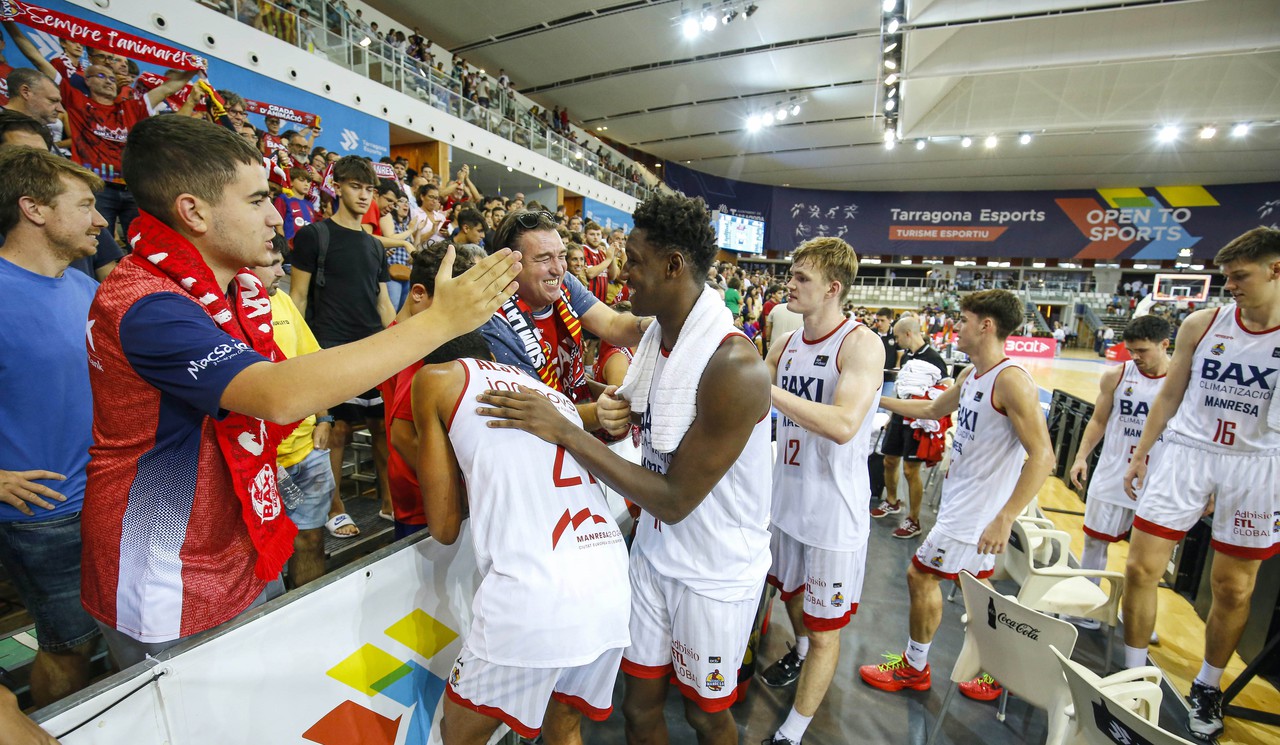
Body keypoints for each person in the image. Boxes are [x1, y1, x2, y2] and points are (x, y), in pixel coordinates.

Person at [79, 115, 520, 668]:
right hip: (168, 570)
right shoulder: (147, 304)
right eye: (259, 199)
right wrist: (437, 324)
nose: (276, 216)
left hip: (235, 543)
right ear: (193, 211)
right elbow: (275, 394)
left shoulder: (239, 290)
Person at [479, 192, 771, 745]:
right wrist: (612, 414)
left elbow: (673, 498)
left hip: (713, 571)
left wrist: (566, 429)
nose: (620, 271)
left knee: (707, 716)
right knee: (637, 710)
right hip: (654, 555)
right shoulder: (663, 336)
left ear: (673, 265)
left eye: (633, 260)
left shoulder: (735, 366)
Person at [413, 334, 630, 744]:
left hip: (535, 592)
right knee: (563, 725)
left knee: (458, 734)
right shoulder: (548, 392)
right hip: (610, 579)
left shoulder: (434, 379)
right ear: (494, 357)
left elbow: (443, 527)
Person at [1121, 227, 1280, 741]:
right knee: (1142, 567)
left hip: (1257, 462)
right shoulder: (1203, 322)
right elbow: (1168, 395)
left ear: (1276, 270)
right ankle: (1132, 668)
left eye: (1240, 276)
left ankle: (1208, 685)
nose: (1229, 285)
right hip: (1188, 451)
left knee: (1232, 588)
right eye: (1226, 275)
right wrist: (1142, 453)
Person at [857, 290, 1054, 702]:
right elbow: (930, 411)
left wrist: (1005, 517)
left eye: (963, 320)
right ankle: (1003, 672)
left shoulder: (1011, 380)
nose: (955, 327)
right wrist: (870, 400)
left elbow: (1043, 456)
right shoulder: (971, 375)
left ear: (986, 325)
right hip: (963, 500)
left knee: (920, 574)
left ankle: (914, 668)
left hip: (975, 512)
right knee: (978, 595)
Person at [757, 238, 884, 745]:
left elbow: (844, 424)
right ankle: (803, 654)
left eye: (802, 278)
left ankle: (792, 731)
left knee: (826, 627)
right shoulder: (785, 344)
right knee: (791, 597)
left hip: (833, 514)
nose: (790, 283)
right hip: (785, 502)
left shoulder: (860, 344)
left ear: (833, 289)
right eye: (791, 273)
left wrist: (762, 388)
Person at [0, 147, 104, 706]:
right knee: (69, 647)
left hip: (108, 497)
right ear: (34, 209)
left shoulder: (87, 291)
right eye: (86, 205)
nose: (102, 219)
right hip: (43, 516)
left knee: (104, 635)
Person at [290, 156, 397, 535]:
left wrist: (399, 345)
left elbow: (383, 301)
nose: (364, 195)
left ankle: (388, 502)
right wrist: (299, 354)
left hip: (373, 350)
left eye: (369, 189)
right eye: (356, 186)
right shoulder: (314, 236)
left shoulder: (373, 245)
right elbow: (297, 297)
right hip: (330, 347)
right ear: (337, 187)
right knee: (336, 432)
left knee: (384, 429)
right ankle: (335, 507)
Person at [481, 209, 648, 423]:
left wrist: (651, 325)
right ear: (508, 265)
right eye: (544, 259)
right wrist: (598, 414)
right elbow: (534, 414)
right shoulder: (495, 321)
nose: (558, 269)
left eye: (561, 256)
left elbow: (613, 323)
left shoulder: (565, 283)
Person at [1068, 315, 1172, 629]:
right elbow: (1099, 420)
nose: (1135, 357)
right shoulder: (1116, 375)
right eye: (1131, 350)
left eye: (1142, 350)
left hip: (1158, 479)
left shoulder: (1183, 381)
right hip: (1113, 472)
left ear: (1165, 345)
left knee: (1147, 561)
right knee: (1095, 543)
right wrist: (1081, 456)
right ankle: (1086, 607)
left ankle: (1137, 616)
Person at [251, 241, 333, 588]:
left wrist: (325, 418)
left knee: (311, 541)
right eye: (272, 264)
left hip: (306, 452)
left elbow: (312, 363)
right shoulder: (217, 310)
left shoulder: (282, 300)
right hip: (260, 465)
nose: (281, 273)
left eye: (281, 263)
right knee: (263, 556)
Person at [382, 243, 476, 539]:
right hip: (429, 502)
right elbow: (403, 436)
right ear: (420, 294)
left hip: (414, 494)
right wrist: (455, 493)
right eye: (453, 303)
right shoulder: (419, 347)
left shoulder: (396, 335)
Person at [870, 315, 950, 539]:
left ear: (908, 334)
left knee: (910, 470)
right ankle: (892, 501)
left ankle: (914, 520)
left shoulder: (934, 359)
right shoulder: (906, 357)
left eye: (897, 337)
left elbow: (946, 391)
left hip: (917, 421)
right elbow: (902, 389)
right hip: (898, 416)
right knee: (889, 460)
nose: (896, 341)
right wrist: (891, 415)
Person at [873, 307, 900, 380]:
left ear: (890, 320)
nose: (879, 323)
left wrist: (897, 367)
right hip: (873, 374)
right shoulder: (871, 333)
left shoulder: (895, 334)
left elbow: (900, 353)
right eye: (877, 320)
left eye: (882, 320)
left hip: (889, 375)